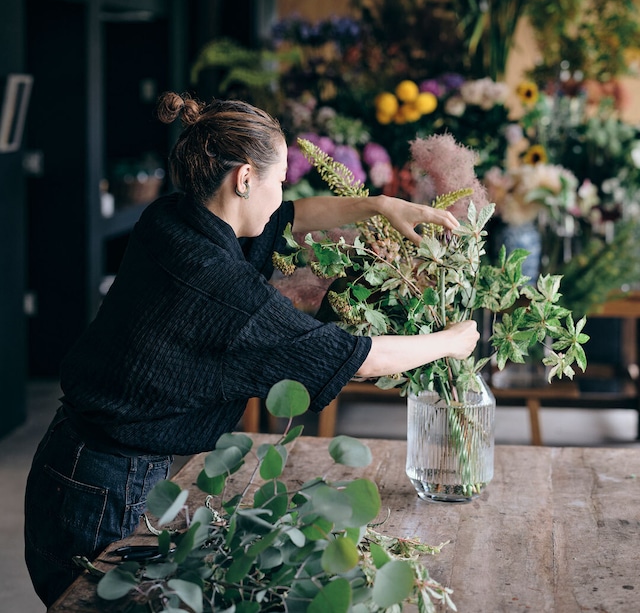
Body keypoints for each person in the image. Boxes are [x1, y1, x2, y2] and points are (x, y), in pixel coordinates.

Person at [24, 92, 478, 607]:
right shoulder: (222, 288)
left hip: (74, 462)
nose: (283, 193)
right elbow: (356, 355)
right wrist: (453, 342)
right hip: (104, 489)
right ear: (244, 178)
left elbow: (289, 216)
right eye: (278, 178)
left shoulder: (172, 219)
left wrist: (375, 205)